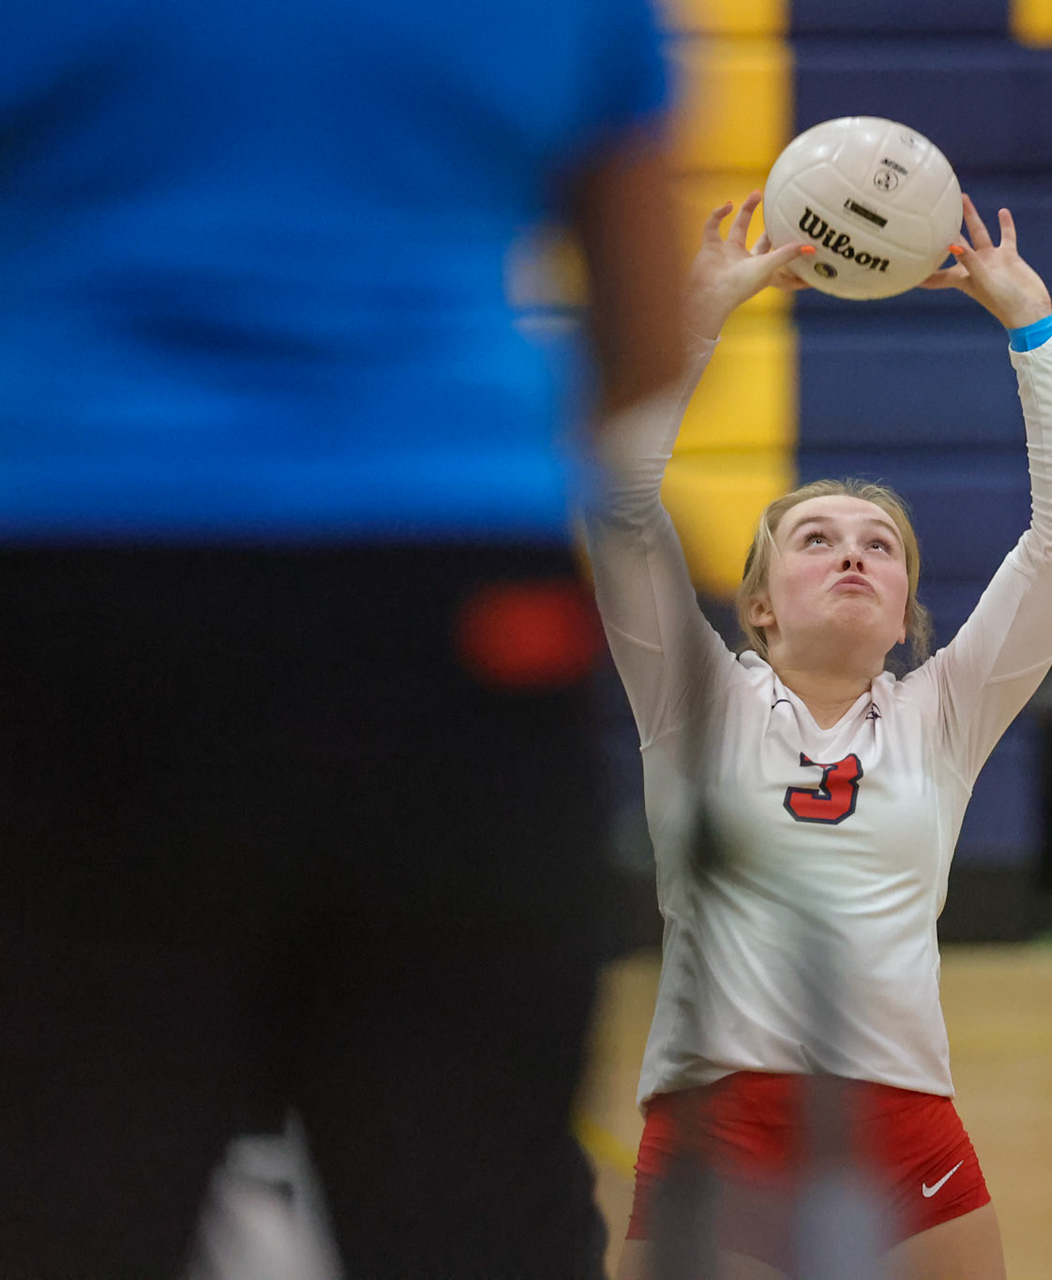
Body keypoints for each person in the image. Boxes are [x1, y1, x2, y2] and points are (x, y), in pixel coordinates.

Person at [0, 2, 683, 1275]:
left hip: (65, 588)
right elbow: (644, 333)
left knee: (64, 1184)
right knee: (478, 1195)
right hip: (450, 604)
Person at [588, 190, 1052, 1279]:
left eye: (881, 545)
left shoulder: (944, 715)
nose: (853, 554)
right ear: (761, 603)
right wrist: (696, 320)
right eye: (815, 538)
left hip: (907, 1131)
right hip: (718, 1130)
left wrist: (1033, 328)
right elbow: (615, 507)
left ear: (906, 604)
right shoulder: (696, 699)